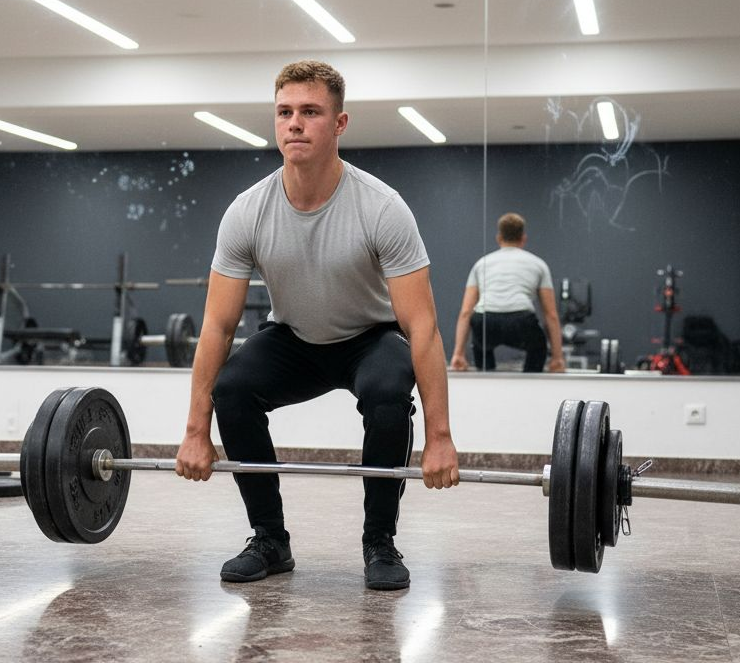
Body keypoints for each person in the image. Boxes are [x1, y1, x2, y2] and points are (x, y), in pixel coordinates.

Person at [174, 60, 460, 592]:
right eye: (284, 112)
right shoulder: (247, 212)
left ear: (339, 123)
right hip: (295, 337)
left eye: (310, 112)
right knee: (232, 388)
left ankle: (380, 541)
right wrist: (196, 430)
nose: (295, 124)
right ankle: (269, 539)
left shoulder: (381, 208)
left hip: (370, 338)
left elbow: (422, 328)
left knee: (386, 391)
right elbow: (216, 325)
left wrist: (440, 438)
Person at [449, 213, 565, 373]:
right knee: (538, 348)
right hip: (521, 323)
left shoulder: (481, 264)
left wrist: (458, 354)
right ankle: (531, 383)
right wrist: (557, 358)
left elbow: (466, 312)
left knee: (480, 344)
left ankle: (486, 379)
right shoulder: (538, 264)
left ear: (499, 238)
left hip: (486, 321)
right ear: (523, 238)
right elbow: (550, 314)